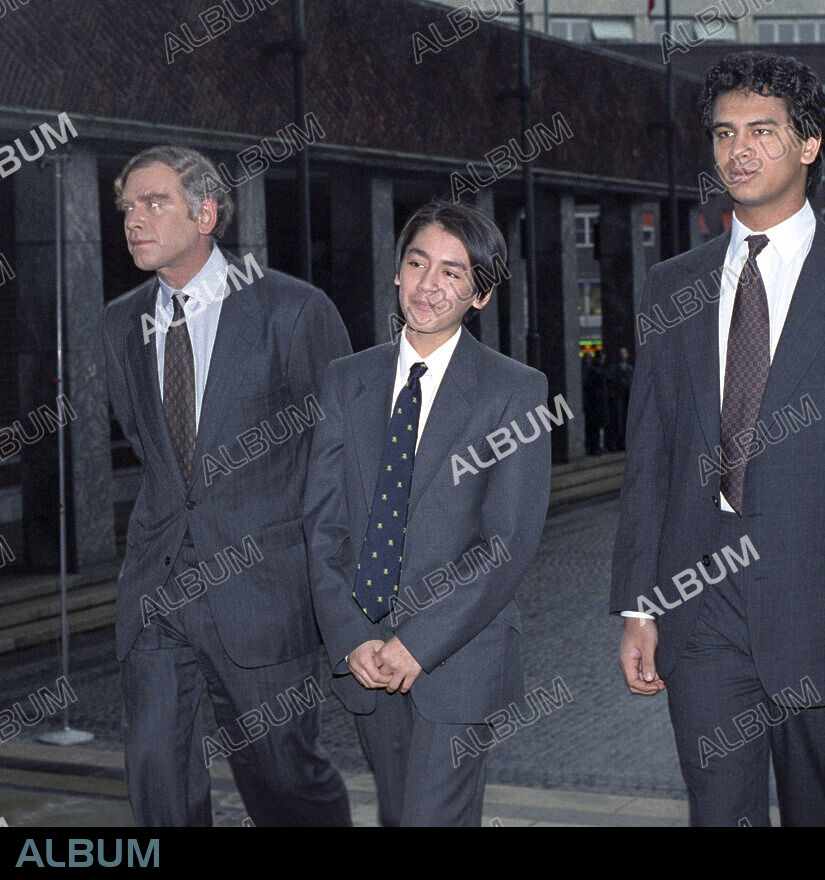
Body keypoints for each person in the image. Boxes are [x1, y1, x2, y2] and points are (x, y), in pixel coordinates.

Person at [610, 51, 825, 827]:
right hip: (699, 613)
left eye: (763, 130)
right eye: (725, 133)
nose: (740, 150)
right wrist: (638, 605)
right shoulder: (671, 287)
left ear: (809, 144)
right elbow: (649, 459)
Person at [102, 146, 352, 826]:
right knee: (157, 779)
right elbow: (153, 451)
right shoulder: (120, 323)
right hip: (157, 592)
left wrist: (341, 594)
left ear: (205, 213)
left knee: (285, 783)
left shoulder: (293, 310)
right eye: (127, 206)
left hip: (262, 593)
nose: (134, 220)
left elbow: (341, 458)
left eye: (155, 203)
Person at [304, 200, 551, 826]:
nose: (428, 285)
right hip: (366, 656)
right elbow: (324, 526)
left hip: (459, 658)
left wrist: (418, 643)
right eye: (417, 264)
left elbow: (507, 543)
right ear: (397, 271)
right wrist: (351, 635)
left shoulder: (514, 391)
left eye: (452, 272)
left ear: (480, 295)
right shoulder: (346, 380)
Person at [607, 346, 634, 452]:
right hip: (618, 398)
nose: (623, 355)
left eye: (624, 353)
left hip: (626, 398)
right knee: (617, 421)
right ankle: (617, 442)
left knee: (625, 420)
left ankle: (624, 442)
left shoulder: (630, 369)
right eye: (621, 353)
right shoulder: (613, 369)